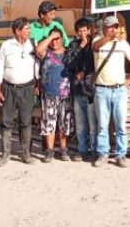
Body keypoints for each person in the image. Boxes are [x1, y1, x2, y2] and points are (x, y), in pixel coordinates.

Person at [91, 15, 130, 168]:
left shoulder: (122, 43)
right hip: (102, 89)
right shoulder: (97, 40)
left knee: (121, 125)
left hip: (119, 90)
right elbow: (95, 47)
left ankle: (121, 155)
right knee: (102, 125)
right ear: (105, 28)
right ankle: (103, 154)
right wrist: (108, 38)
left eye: (116, 27)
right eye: (111, 27)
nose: (114, 29)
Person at [0, 17, 38, 166]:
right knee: (6, 122)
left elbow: (38, 66)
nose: (29, 31)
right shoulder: (6, 46)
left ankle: (26, 153)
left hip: (28, 88)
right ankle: (5, 154)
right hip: (9, 88)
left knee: (26, 121)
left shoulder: (33, 44)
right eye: (27, 29)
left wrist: (37, 85)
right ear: (18, 31)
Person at [36, 27, 74, 162]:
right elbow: (38, 50)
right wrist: (51, 36)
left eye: (57, 39)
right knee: (48, 122)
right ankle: (50, 150)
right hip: (48, 93)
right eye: (52, 39)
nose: (54, 42)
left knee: (64, 122)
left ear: (62, 39)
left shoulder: (68, 53)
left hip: (65, 93)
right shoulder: (46, 53)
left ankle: (63, 149)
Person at [67, 17, 96, 161]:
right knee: (80, 123)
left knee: (93, 123)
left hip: (90, 90)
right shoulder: (73, 45)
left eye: (85, 30)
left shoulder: (94, 44)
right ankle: (82, 150)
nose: (82, 34)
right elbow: (69, 63)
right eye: (80, 31)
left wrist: (85, 72)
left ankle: (95, 150)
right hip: (77, 89)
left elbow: (96, 64)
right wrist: (79, 48)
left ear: (89, 30)